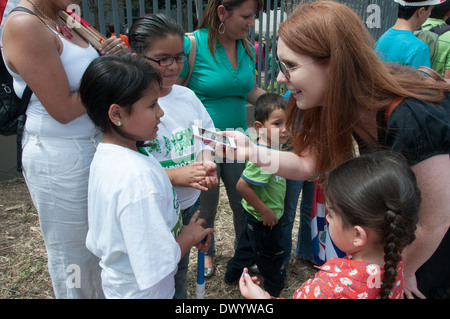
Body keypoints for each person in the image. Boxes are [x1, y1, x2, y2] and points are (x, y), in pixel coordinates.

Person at [216, 0, 450, 299]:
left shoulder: (410, 118)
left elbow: (434, 221)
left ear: (334, 63)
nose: (278, 78)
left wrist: (403, 276)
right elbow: (307, 165)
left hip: (429, 248)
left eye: (290, 66)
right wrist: (250, 151)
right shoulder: (331, 102)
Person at [1, 0, 127, 298]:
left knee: (103, 246)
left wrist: (113, 54)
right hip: (61, 156)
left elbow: (95, 66)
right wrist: (113, 74)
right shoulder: (25, 25)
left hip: (95, 145)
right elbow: (63, 109)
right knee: (75, 258)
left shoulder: (64, 16)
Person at [79, 54, 213, 299]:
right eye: (152, 105)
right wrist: (188, 236)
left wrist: (183, 231)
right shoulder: (137, 181)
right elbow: (157, 264)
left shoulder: (115, 154)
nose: (161, 113)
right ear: (116, 114)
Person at [240, 151, 421, 299]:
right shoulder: (393, 262)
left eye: (332, 214)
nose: (326, 218)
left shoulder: (330, 288)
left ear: (358, 235)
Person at [128, 13, 218, 299]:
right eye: (163, 58)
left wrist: (207, 159)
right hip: (156, 212)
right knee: (160, 271)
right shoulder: (130, 106)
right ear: (135, 56)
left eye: (179, 57)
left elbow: (208, 134)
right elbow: (128, 167)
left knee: (179, 269)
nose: (174, 66)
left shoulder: (186, 96)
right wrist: (176, 176)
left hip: (188, 206)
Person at [176, 0, 266, 277]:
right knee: (206, 205)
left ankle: (244, 254)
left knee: (244, 203)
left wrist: (283, 104)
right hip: (203, 142)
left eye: (254, 17)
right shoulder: (191, 46)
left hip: (240, 142)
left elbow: (249, 92)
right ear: (222, 13)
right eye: (246, 16)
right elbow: (174, 92)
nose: (251, 23)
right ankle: (206, 253)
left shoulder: (245, 47)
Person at [225, 93, 289, 297]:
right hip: (263, 218)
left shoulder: (273, 147)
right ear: (260, 127)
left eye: (289, 123)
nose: (285, 129)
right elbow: (242, 186)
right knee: (269, 257)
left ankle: (232, 274)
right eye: (278, 124)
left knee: (247, 248)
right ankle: (274, 289)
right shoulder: (264, 155)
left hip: (254, 214)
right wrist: (265, 210)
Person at [375, 0, 437, 68]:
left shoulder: (383, 38)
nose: (429, 14)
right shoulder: (419, 48)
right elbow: (421, 78)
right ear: (421, 11)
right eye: (430, 11)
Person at [421, 1, 450, 78]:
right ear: (448, 13)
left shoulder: (412, 28)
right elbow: (448, 78)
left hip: (407, 85)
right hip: (435, 88)